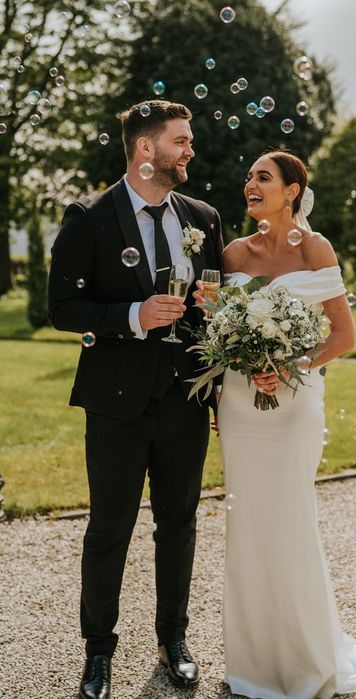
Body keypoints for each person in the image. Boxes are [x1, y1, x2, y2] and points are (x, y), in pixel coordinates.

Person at [215, 150, 356, 698]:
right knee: (248, 524)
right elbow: (215, 330)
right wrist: (236, 372)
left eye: (263, 177)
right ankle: (253, 663)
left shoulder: (316, 248)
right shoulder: (232, 254)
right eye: (249, 176)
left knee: (290, 518)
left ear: (292, 191)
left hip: (294, 405)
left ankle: (305, 656)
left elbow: (343, 336)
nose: (250, 184)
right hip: (238, 405)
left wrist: (290, 364)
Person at [48, 99, 223, 699]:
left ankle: (173, 640)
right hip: (116, 406)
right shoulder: (88, 217)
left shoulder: (202, 216)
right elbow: (62, 309)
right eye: (181, 140)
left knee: (178, 526)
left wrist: (217, 377)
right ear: (146, 149)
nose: (190, 150)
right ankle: (98, 655)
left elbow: (213, 313)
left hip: (184, 403)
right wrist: (133, 315)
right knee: (109, 530)